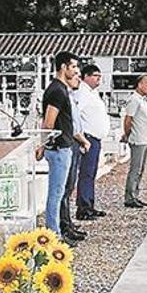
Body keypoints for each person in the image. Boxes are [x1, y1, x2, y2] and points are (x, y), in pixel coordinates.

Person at [37, 51, 80, 244]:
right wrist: (42, 145)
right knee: (56, 193)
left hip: (63, 147)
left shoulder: (60, 89)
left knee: (60, 191)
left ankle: (56, 232)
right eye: (74, 67)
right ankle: (53, 236)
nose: (76, 70)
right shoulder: (57, 90)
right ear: (63, 67)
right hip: (59, 149)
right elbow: (48, 123)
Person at [74, 64, 109, 220]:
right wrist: (81, 138)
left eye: (100, 76)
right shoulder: (82, 93)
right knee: (86, 173)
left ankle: (90, 204)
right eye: (95, 76)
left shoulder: (92, 93)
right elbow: (76, 115)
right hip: (87, 138)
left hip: (96, 138)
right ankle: (83, 208)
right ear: (86, 76)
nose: (98, 79)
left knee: (91, 173)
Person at [59, 73, 90, 242]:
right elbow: (70, 126)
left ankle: (68, 222)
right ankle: (64, 226)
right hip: (70, 142)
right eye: (75, 74)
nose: (78, 78)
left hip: (75, 143)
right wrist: (84, 140)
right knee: (64, 189)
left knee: (70, 187)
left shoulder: (72, 96)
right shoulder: (63, 96)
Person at [122, 75, 147, 209]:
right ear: (140, 85)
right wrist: (127, 135)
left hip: (145, 139)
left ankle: (135, 195)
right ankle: (129, 198)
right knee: (135, 169)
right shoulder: (134, 100)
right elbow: (128, 120)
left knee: (140, 170)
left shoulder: (143, 100)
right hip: (138, 139)